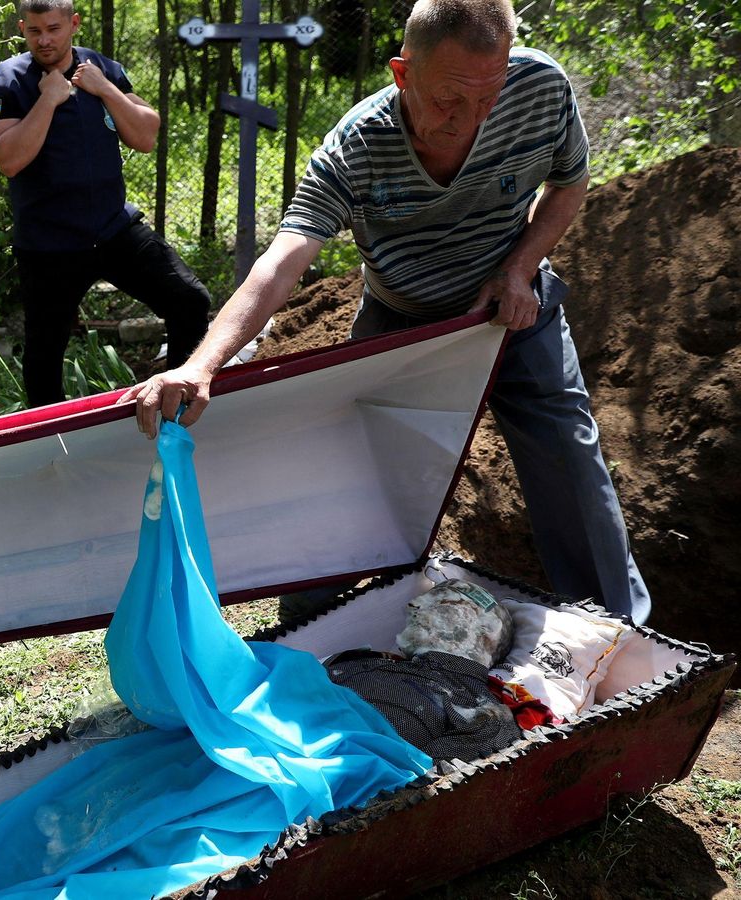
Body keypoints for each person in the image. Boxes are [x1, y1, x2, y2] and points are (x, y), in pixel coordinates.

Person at [122, 0, 652, 624]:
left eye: (488, 98)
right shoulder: (356, 147)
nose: (471, 120)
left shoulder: (540, 90)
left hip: (511, 312)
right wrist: (203, 365)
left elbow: (569, 183)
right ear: (403, 74)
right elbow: (282, 262)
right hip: (401, 321)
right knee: (358, 472)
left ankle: (620, 634)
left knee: (570, 459)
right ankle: (301, 625)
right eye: (450, 100)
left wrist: (518, 268)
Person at [0, 0, 214, 408]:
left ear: (74, 24)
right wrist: (48, 99)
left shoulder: (103, 68)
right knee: (45, 356)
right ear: (22, 28)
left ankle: (177, 404)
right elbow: (9, 160)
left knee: (190, 300)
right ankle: (52, 446)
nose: (44, 39)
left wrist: (104, 89)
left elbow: (146, 134)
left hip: (112, 228)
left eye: (53, 28)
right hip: (49, 245)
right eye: (34, 31)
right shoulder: (5, 82)